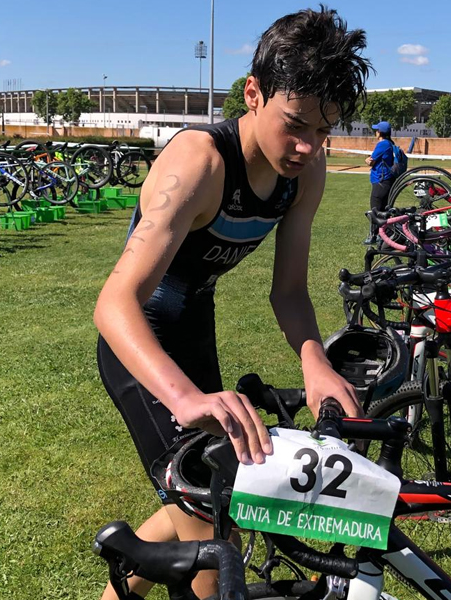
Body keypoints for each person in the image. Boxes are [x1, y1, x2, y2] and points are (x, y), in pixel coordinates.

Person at [93, 6, 370, 600]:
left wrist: (314, 361)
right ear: (252, 93)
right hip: (139, 346)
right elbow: (114, 303)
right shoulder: (199, 163)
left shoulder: (305, 172)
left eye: (323, 131)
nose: (306, 146)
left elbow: (288, 291)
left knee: (204, 500)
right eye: (294, 124)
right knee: (220, 550)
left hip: (193, 330)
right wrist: (185, 396)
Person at [364, 120, 395, 244]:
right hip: (385, 181)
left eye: (376, 130)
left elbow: (370, 161)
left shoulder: (383, 144)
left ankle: (375, 236)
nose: (375, 132)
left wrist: (367, 160)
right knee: (383, 210)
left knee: (375, 210)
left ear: (380, 132)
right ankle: (384, 235)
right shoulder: (389, 143)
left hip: (381, 181)